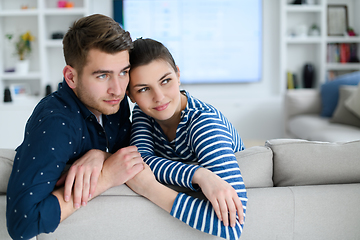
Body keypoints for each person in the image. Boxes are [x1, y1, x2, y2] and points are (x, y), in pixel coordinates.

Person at [6, 14, 145, 240]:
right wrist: (105, 177)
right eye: (102, 75)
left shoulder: (113, 103)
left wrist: (101, 155)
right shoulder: (56, 123)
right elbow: (22, 223)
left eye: (124, 72)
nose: (118, 90)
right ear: (71, 77)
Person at [125, 38, 248, 240]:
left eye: (165, 81)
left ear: (178, 75)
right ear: (130, 95)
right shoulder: (143, 111)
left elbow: (231, 227)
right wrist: (199, 174)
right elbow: (139, 161)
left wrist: (150, 188)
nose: (159, 97)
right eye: (143, 89)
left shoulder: (204, 124)